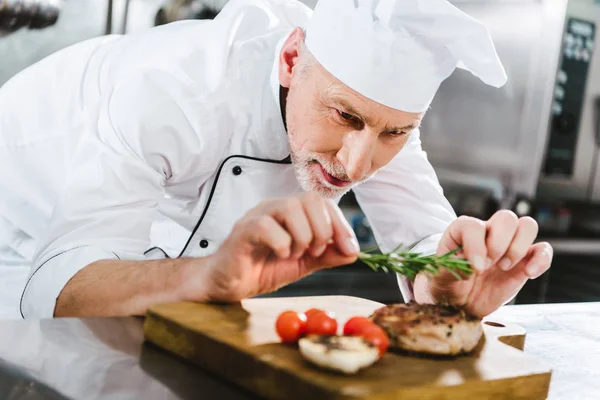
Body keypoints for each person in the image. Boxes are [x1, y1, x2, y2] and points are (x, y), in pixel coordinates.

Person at [0, 0, 553, 321]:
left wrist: (449, 284)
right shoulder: (176, 89)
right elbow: (62, 283)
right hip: (15, 230)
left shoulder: (374, 113)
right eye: (345, 118)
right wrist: (206, 277)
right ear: (292, 60)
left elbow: (424, 244)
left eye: (396, 132)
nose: (356, 164)